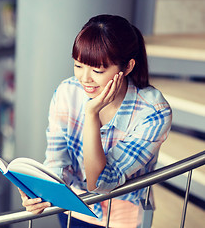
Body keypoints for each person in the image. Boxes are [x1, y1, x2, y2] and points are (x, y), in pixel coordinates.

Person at [18, 14, 172, 228]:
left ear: (127, 67)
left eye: (97, 70)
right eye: (78, 66)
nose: (84, 79)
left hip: (121, 220)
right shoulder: (66, 92)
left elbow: (98, 183)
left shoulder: (153, 112)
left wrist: (91, 114)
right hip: (73, 209)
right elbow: (56, 160)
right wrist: (40, 192)